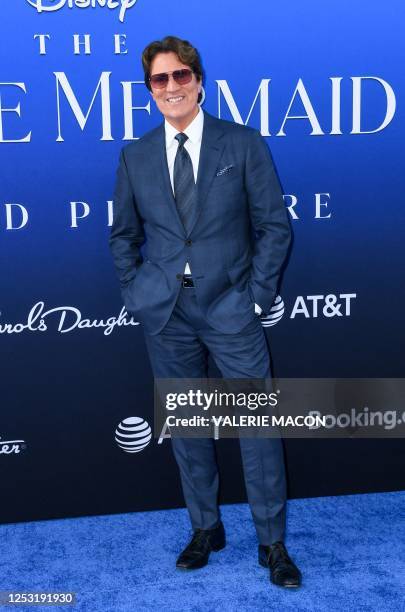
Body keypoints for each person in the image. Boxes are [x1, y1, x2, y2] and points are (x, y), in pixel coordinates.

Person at [109, 35, 301, 588]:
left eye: (180, 76)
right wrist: (136, 289)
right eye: (159, 80)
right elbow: (123, 235)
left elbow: (274, 227)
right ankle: (205, 529)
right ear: (149, 90)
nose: (171, 87)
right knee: (189, 428)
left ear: (199, 80)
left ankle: (273, 543)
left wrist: (255, 299)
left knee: (257, 429)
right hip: (167, 313)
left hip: (231, 308)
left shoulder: (240, 144)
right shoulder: (136, 155)